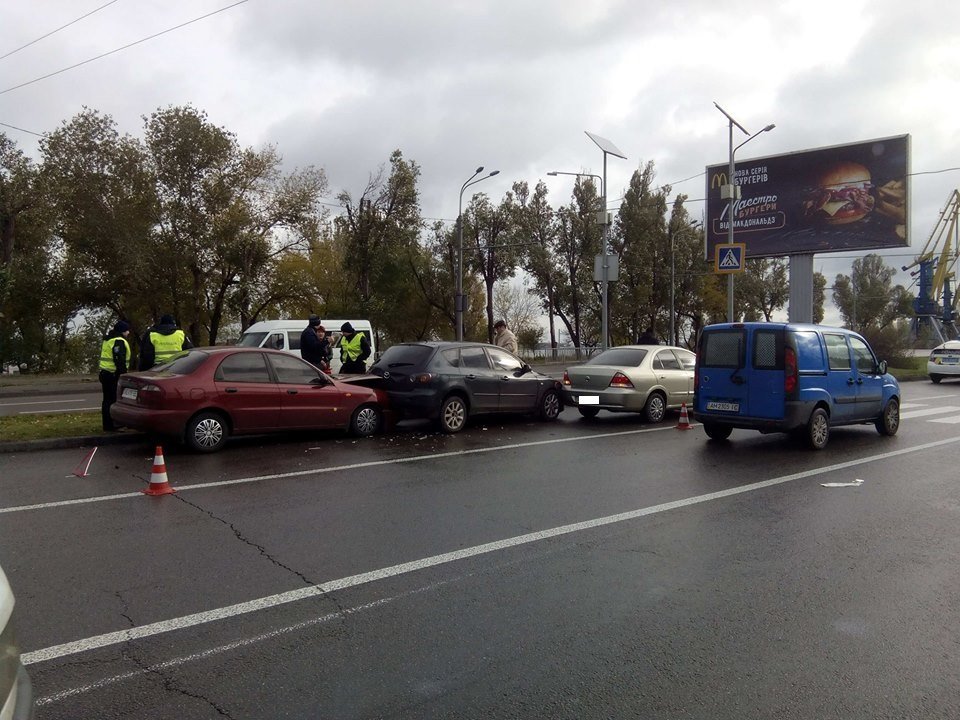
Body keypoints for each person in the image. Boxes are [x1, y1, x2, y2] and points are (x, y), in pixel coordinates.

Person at [99, 320, 131, 431]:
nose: (128, 333)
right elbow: (119, 359)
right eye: (127, 330)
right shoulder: (118, 341)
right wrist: (123, 375)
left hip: (105, 373)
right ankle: (113, 425)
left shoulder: (108, 339)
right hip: (113, 374)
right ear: (122, 331)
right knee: (113, 401)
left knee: (107, 400)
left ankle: (107, 425)